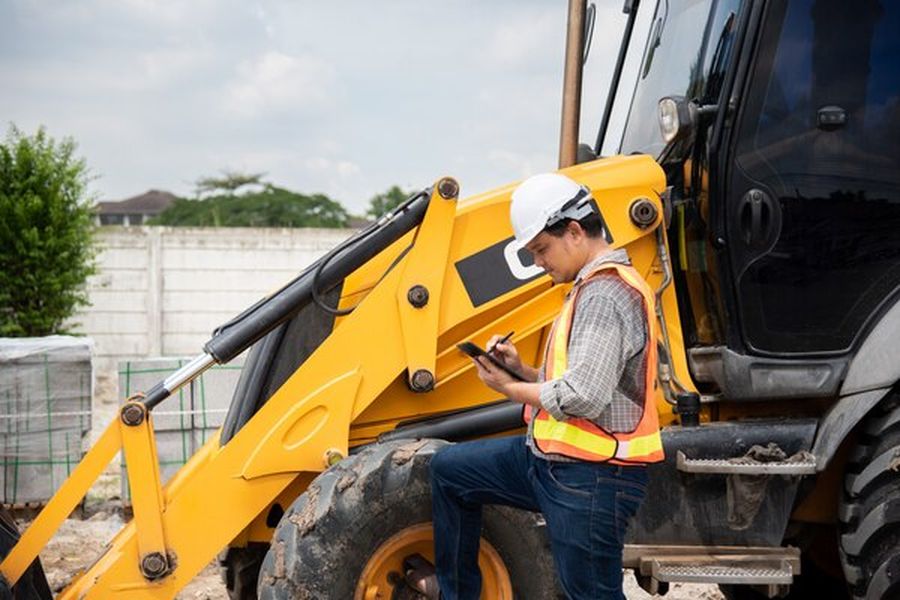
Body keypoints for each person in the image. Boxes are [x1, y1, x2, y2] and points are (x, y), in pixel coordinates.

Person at [405, 172, 664, 600]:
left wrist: (508, 390)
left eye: (542, 250)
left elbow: (583, 396)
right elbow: (580, 381)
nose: (539, 263)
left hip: (594, 477)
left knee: (589, 593)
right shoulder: (588, 288)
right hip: (552, 462)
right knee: (450, 472)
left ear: (575, 231)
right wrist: (521, 371)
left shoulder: (604, 294)